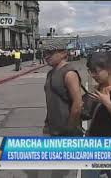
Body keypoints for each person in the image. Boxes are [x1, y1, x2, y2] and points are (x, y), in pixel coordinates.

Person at [43, 47, 83, 178]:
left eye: (50, 52)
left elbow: (77, 103)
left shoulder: (69, 73)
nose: (46, 56)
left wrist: (70, 127)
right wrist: (47, 124)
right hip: (53, 127)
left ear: (63, 53)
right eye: (44, 53)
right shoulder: (51, 73)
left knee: (68, 169)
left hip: (67, 129)